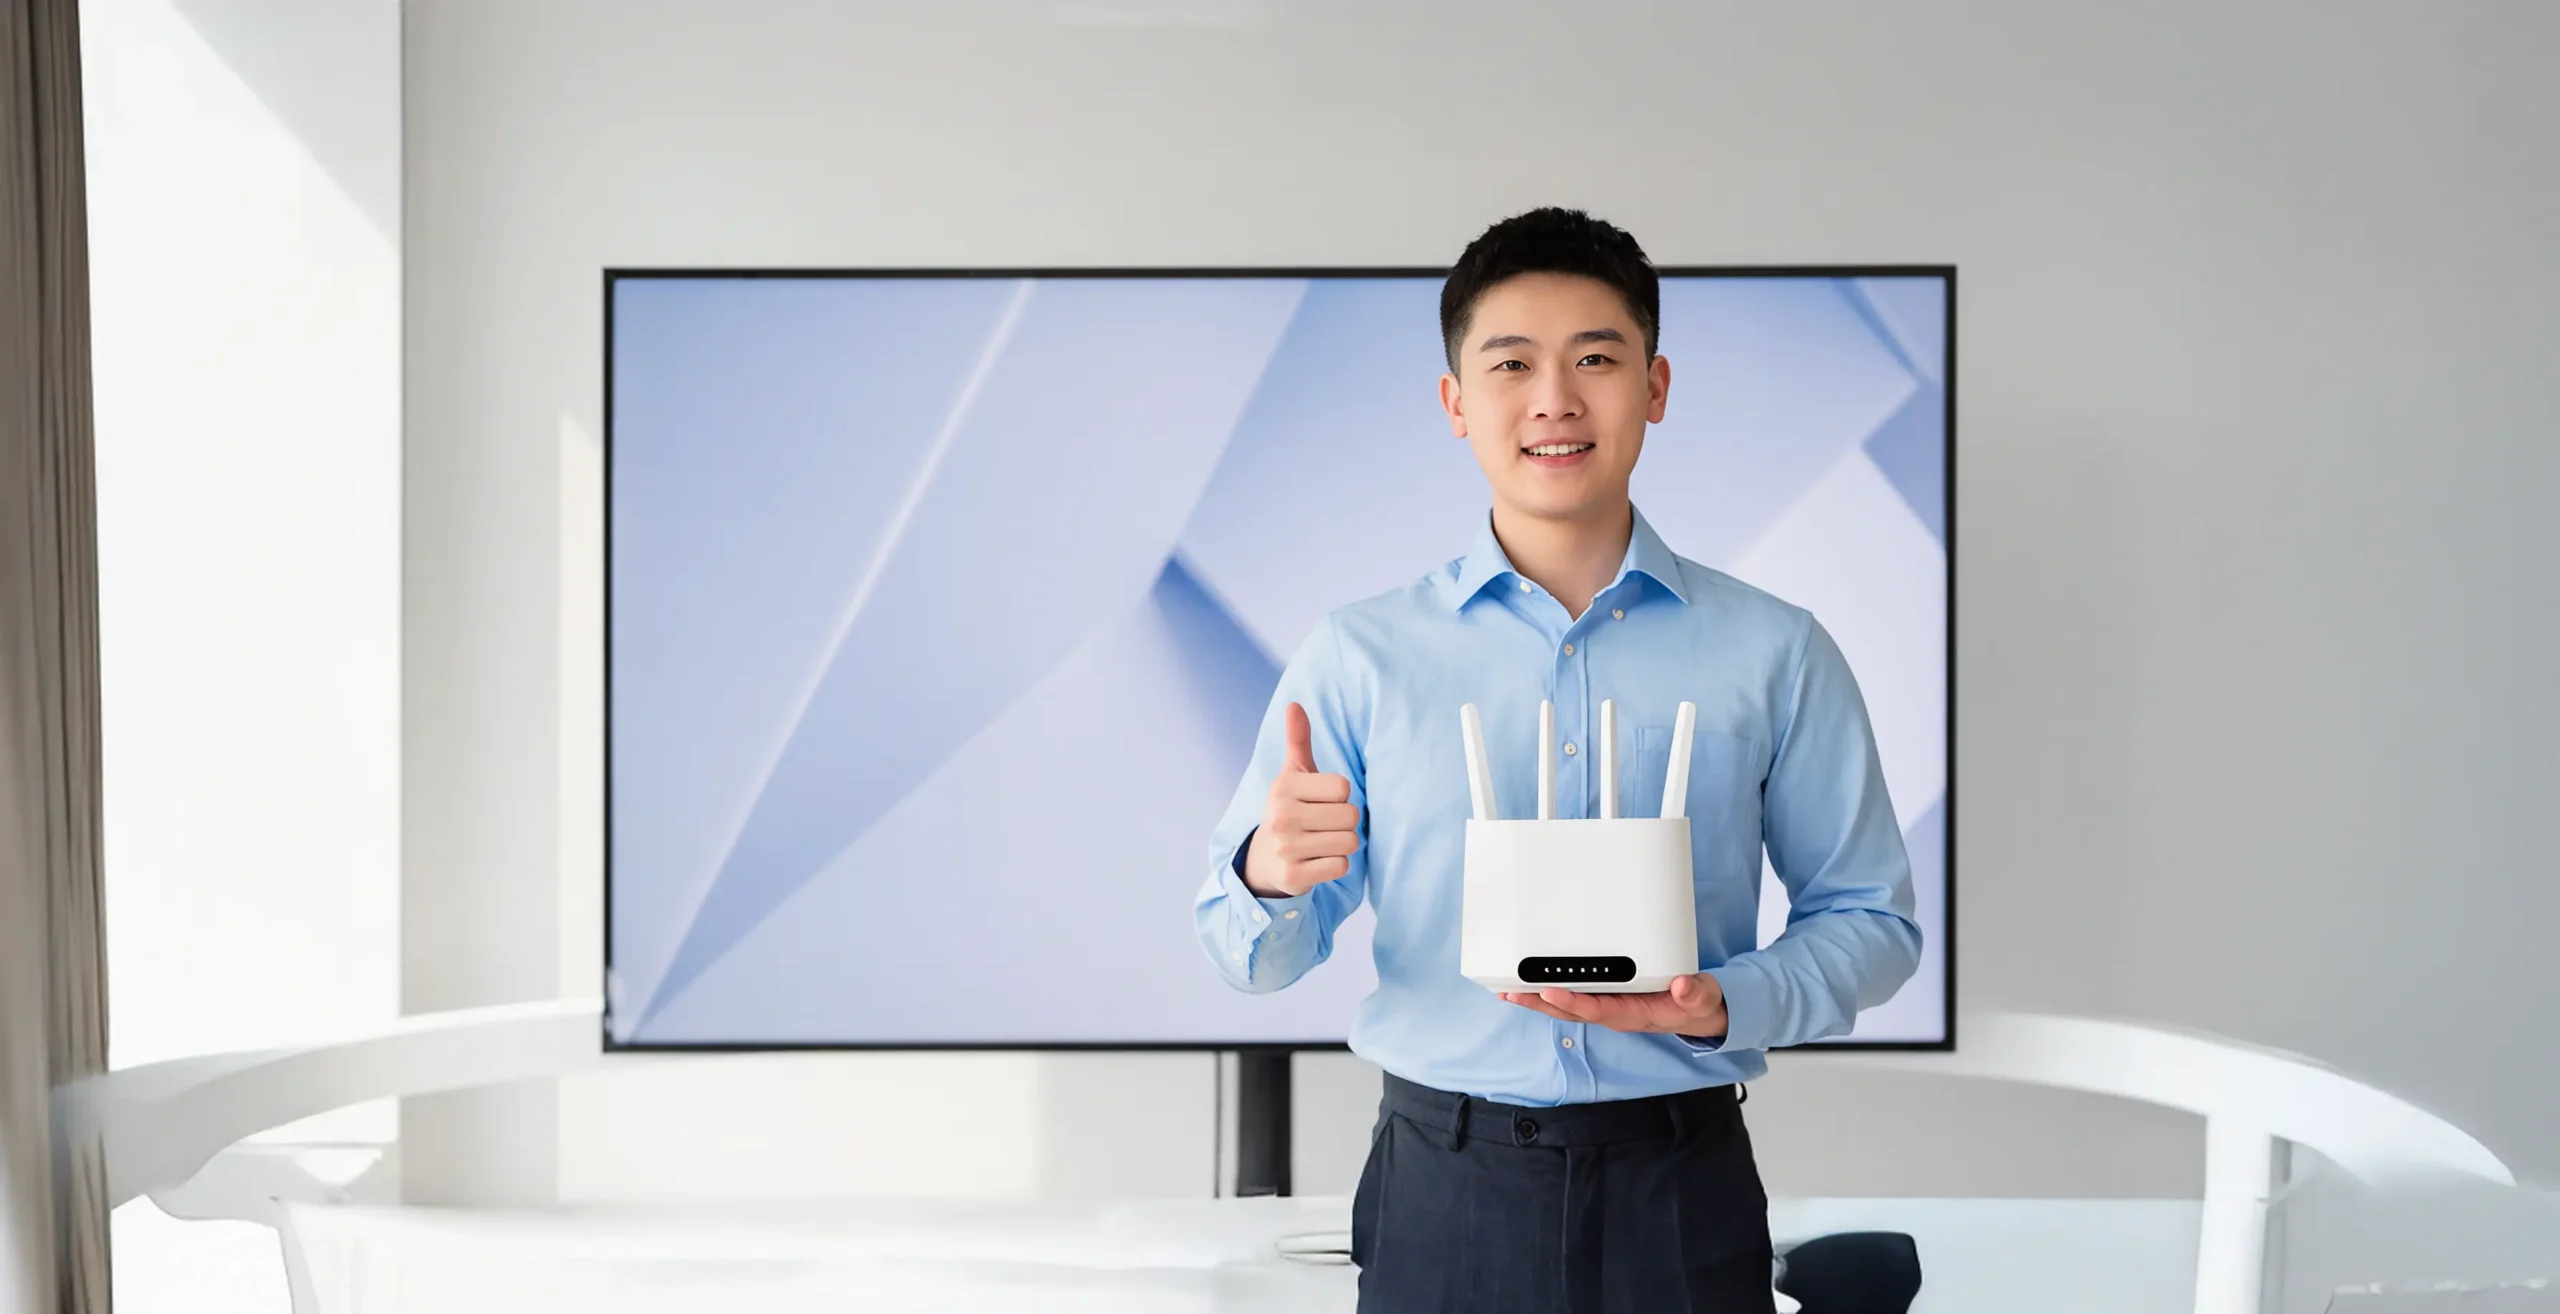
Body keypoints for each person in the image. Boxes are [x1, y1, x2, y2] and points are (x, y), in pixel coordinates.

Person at [1192, 206, 1922, 1314]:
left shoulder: (1776, 649)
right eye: (1511, 364)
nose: (1554, 399)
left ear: (1655, 387)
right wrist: (1267, 876)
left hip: (1679, 1181)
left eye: (1596, 359)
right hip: (1444, 1183)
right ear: (1455, 403)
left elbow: (1872, 921)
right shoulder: (1359, 656)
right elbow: (1246, 955)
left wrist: (1720, 1003)